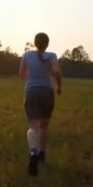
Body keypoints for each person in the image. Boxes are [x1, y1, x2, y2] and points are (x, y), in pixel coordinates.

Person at [19, 32, 62, 176]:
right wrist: (59, 87)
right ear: (47, 43)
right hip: (47, 92)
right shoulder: (52, 55)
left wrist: (30, 80)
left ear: (34, 42)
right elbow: (57, 73)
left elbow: (21, 74)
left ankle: (33, 152)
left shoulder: (27, 55)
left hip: (31, 91)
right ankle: (42, 153)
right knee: (44, 125)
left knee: (33, 126)